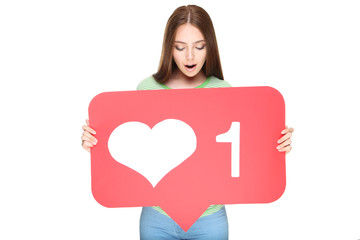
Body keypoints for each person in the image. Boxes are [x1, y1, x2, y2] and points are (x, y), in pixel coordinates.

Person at [81, 5, 294, 240]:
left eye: (199, 47)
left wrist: (275, 143)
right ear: (169, 48)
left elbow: (242, 151)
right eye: (180, 47)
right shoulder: (146, 88)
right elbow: (130, 147)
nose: (190, 56)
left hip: (210, 220)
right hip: (156, 219)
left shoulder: (224, 91)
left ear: (209, 47)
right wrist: (95, 141)